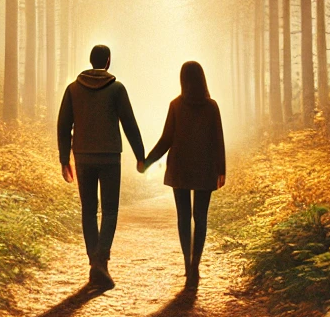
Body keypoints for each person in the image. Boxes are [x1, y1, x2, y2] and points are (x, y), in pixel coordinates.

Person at [56, 44, 145, 290]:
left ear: (91, 60)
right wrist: (141, 156)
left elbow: (63, 126)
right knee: (110, 210)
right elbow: (129, 124)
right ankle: (101, 261)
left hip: (83, 156)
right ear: (107, 62)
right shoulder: (116, 89)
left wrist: (65, 159)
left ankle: (93, 262)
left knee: (88, 210)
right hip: (109, 157)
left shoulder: (73, 89)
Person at [138, 61, 226, 287]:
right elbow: (218, 139)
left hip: (181, 167)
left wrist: (147, 162)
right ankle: (196, 265)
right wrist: (221, 169)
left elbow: (166, 139)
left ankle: (187, 264)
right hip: (205, 167)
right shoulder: (211, 106)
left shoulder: (176, 105)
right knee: (201, 216)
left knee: (183, 217)